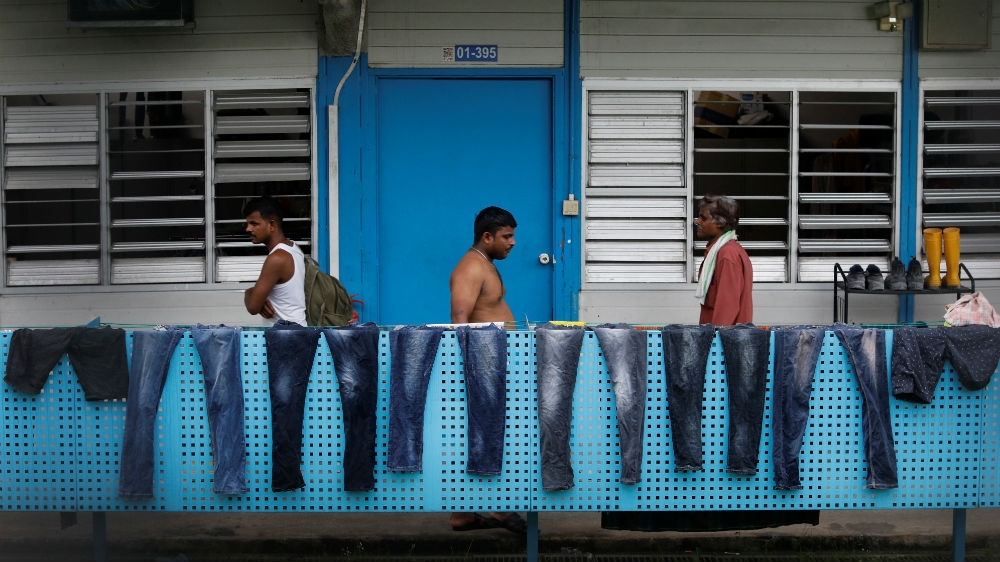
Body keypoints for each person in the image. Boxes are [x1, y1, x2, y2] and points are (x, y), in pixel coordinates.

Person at [447, 206, 526, 534]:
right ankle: (496, 510)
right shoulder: (470, 268)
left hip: (494, 361)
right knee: (488, 436)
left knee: (489, 436)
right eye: (507, 237)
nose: (513, 243)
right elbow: (460, 321)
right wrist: (472, 371)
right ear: (487, 236)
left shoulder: (485, 264)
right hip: (483, 365)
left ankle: (464, 515)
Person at [242, 196, 307, 326]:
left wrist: (249, 292)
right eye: (248, 223)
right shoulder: (293, 248)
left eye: (254, 223)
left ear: (272, 225)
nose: (248, 229)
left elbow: (253, 307)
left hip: (286, 337)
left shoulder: (277, 258)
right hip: (295, 332)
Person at [694, 194, 753, 325]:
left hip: (722, 341)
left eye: (703, 218)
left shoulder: (727, 254)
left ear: (720, 222)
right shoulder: (722, 251)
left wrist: (715, 341)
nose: (698, 221)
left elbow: (727, 309)